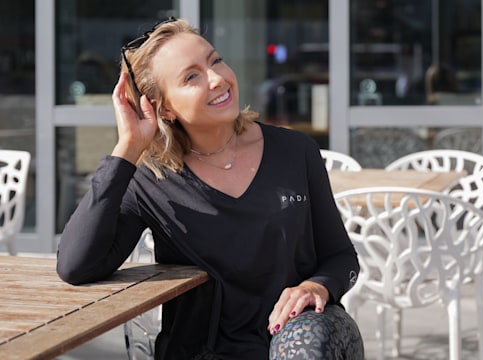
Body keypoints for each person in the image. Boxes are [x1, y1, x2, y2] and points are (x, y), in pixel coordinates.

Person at [56, 17, 364, 360]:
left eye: (215, 60)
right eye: (192, 77)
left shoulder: (295, 151)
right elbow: (76, 265)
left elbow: (341, 257)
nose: (218, 79)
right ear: (165, 109)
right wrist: (128, 147)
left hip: (300, 341)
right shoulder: (151, 179)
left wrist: (315, 285)